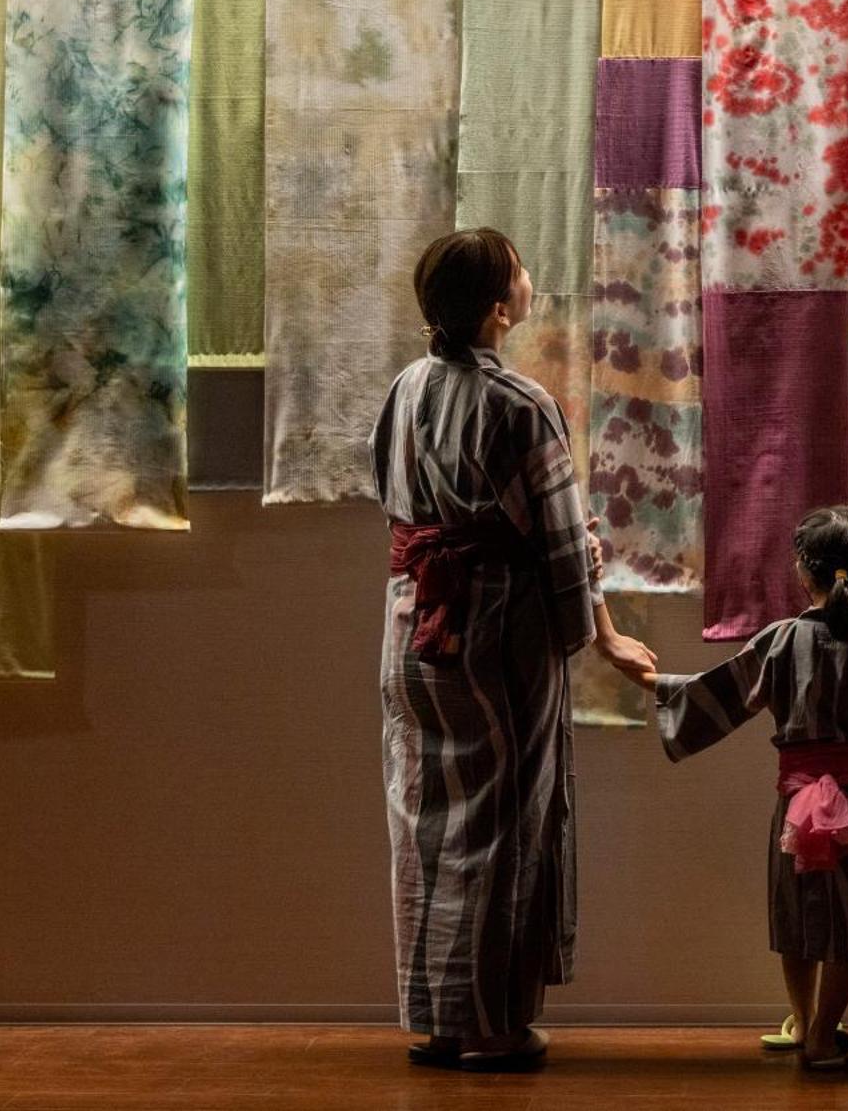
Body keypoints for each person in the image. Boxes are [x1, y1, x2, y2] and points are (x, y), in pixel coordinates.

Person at [372, 228, 657, 1071]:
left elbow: (394, 502)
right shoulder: (521, 404)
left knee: (424, 812)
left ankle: (437, 1016)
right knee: (501, 818)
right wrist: (600, 634)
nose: (532, 280)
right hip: (495, 628)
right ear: (501, 307)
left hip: (410, 619)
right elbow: (565, 543)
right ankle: (493, 1021)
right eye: (521, 273)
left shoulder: (406, 387)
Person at [634, 506, 848, 1073]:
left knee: (799, 915)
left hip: (796, 804)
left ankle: (804, 1021)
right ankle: (821, 1032)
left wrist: (637, 672)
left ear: (801, 571)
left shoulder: (780, 641)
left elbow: (709, 693)